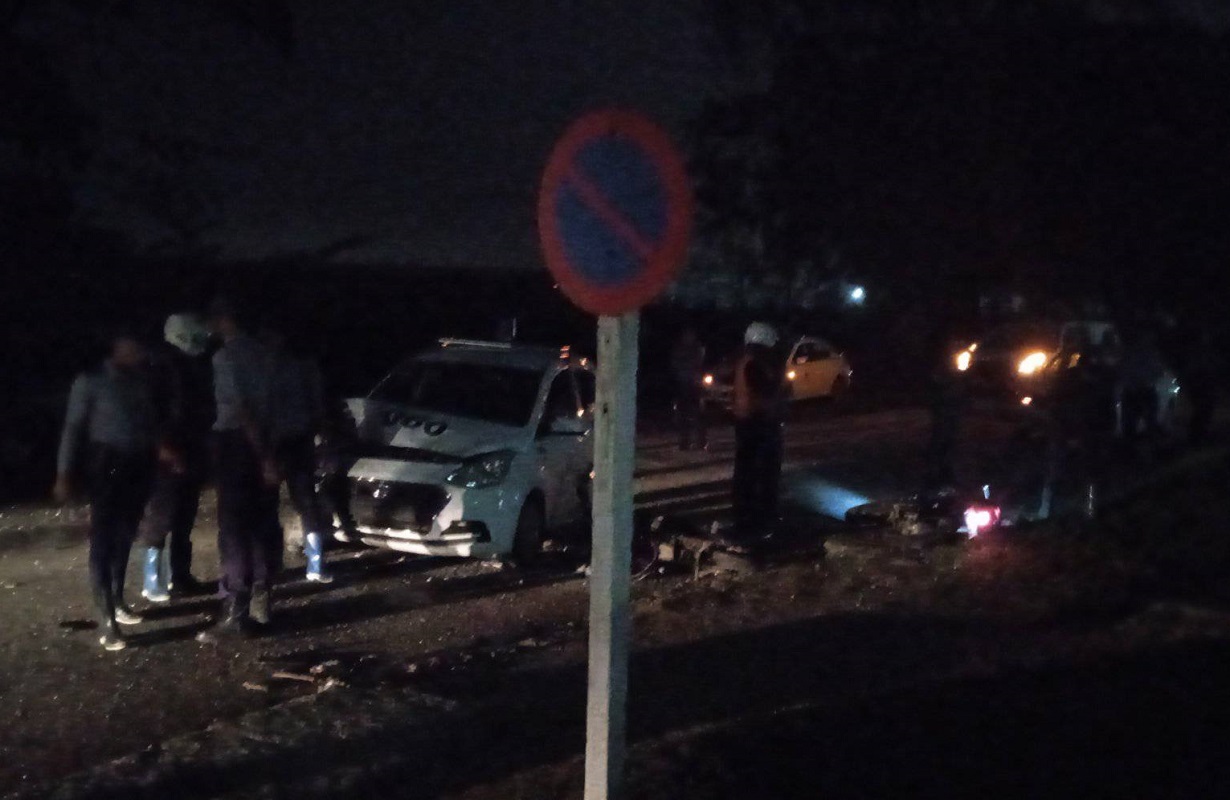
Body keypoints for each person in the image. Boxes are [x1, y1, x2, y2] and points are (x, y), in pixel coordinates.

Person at [53, 331, 160, 651]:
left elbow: (147, 422)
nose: (139, 352)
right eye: (133, 346)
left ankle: (117, 598)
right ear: (116, 348)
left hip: (137, 463)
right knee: (103, 538)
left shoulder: (139, 381)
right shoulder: (91, 382)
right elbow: (73, 427)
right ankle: (106, 619)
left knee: (126, 534)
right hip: (106, 464)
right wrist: (64, 473)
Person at [197, 298, 280, 643]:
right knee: (261, 524)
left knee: (233, 530)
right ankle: (262, 604)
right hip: (265, 440)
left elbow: (241, 408)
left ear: (224, 320)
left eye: (213, 320)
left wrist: (260, 455)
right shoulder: (264, 354)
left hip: (237, 444)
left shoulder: (225, 357)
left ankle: (235, 613)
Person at [136, 313, 214, 602]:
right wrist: (163, 446)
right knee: (162, 514)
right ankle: (153, 579)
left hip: (189, 448)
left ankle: (179, 576)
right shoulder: (160, 365)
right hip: (167, 453)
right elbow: (148, 413)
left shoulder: (189, 364)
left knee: (183, 515)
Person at [261, 320, 333, 583]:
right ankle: (308, 564)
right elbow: (317, 404)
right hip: (286, 439)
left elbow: (316, 403)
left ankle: (286, 563)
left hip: (284, 439)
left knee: (295, 501)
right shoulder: (300, 364)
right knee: (301, 500)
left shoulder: (270, 365)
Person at [730, 322, 787, 545]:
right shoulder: (754, 365)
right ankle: (758, 520)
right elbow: (766, 396)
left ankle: (750, 518)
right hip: (758, 425)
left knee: (748, 473)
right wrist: (781, 391)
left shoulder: (748, 363)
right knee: (761, 473)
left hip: (750, 424)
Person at [1118, 328, 1166, 457]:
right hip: (1136, 392)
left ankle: (1147, 452)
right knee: (1132, 425)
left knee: (1145, 424)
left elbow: (1158, 372)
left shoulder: (1146, 355)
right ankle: (1132, 453)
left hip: (1141, 391)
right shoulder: (1133, 354)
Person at [670, 327, 708, 451]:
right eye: (687, 334)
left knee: (698, 414)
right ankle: (684, 441)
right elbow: (675, 366)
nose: (689, 337)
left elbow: (701, 363)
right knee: (683, 415)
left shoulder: (698, 349)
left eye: (691, 334)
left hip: (695, 386)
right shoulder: (680, 350)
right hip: (683, 386)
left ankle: (700, 441)